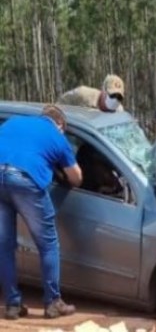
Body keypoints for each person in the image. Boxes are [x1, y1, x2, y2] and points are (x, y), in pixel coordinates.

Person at [0, 105, 83, 320]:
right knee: (48, 245)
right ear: (60, 125)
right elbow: (76, 178)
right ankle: (53, 302)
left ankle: (12, 305)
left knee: (5, 246)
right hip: (25, 180)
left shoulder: (14, 122)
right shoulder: (57, 136)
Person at [57, 74, 125, 112]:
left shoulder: (119, 111)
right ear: (103, 91)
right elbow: (60, 105)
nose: (115, 99)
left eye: (119, 97)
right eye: (112, 95)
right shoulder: (82, 94)